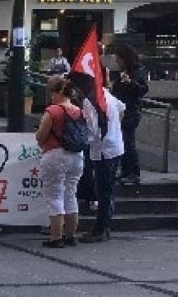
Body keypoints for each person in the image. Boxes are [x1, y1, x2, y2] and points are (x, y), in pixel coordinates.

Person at [35, 75, 85, 248]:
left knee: (55, 196)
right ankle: (70, 236)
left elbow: (41, 135)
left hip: (55, 155)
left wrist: (40, 139)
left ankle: (55, 238)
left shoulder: (53, 111)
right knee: (70, 195)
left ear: (57, 93)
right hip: (76, 156)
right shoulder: (79, 111)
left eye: (51, 93)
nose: (51, 97)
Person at [79, 87, 125, 243]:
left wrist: (85, 139)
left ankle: (101, 227)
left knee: (103, 189)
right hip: (115, 145)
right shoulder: (105, 92)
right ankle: (105, 224)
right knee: (108, 188)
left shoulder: (89, 100)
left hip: (103, 149)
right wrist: (115, 129)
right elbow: (121, 108)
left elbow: (92, 129)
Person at [111, 45, 148, 186]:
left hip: (130, 112)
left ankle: (133, 172)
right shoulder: (123, 72)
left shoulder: (137, 72)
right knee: (124, 143)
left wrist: (130, 82)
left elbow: (142, 89)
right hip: (121, 111)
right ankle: (126, 172)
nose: (117, 62)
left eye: (118, 59)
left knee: (128, 143)